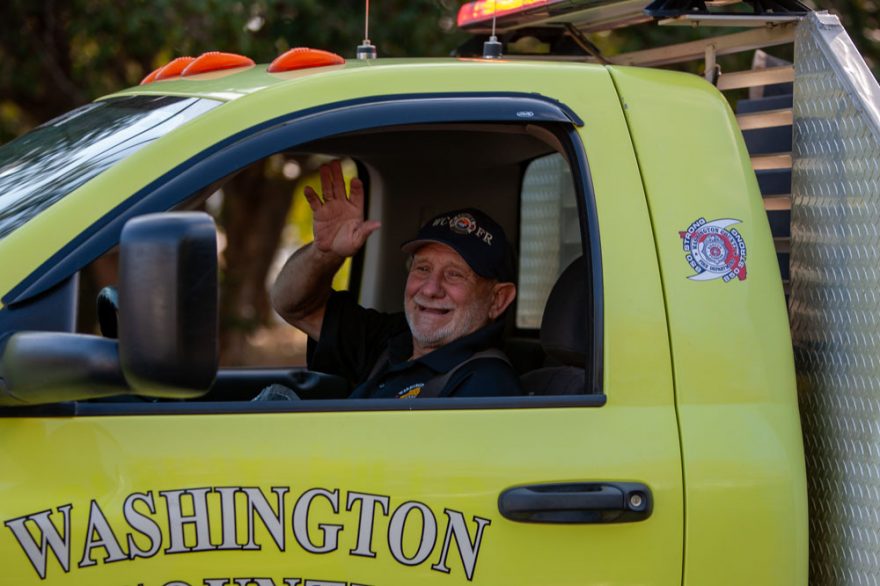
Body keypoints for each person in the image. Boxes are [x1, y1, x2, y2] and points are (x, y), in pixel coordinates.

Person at [271, 160, 522, 399]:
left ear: (497, 300)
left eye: (454, 274)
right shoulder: (392, 339)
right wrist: (324, 254)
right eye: (422, 268)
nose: (431, 288)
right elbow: (296, 306)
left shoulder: (486, 385)